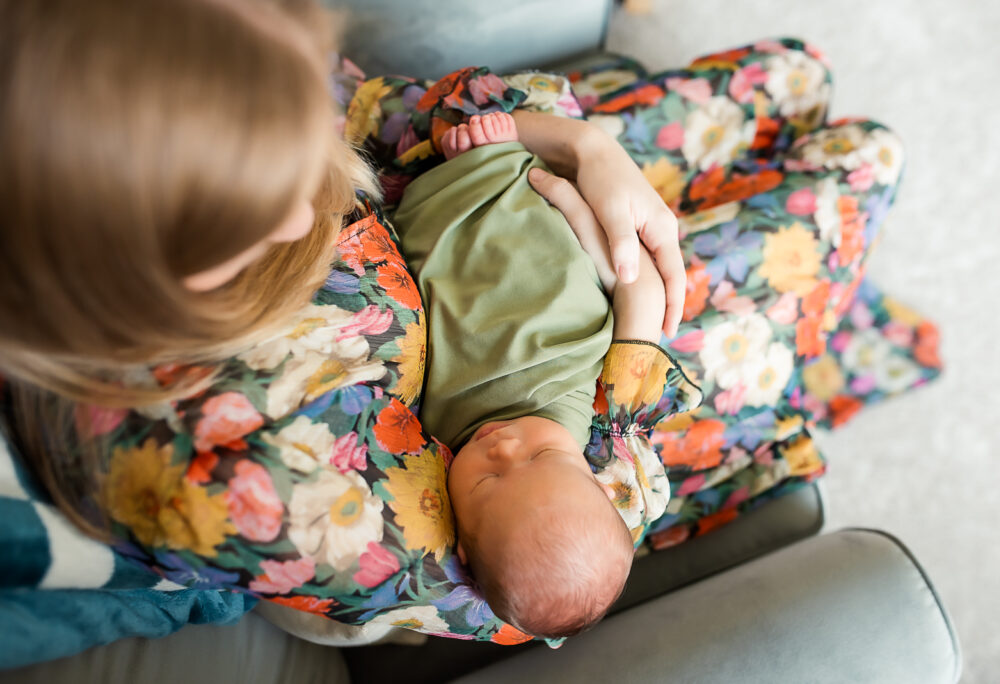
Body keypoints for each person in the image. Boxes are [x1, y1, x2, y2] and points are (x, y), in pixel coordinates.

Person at [0, 0, 939, 646]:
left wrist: (576, 146)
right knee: (862, 162)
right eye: (256, 211)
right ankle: (843, 340)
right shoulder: (235, 474)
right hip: (609, 396)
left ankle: (834, 322)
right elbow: (524, 577)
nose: (310, 210)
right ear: (123, 270)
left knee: (794, 79)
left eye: (297, 145)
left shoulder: (176, 51)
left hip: (494, 194)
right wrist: (620, 361)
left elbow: (371, 111)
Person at [390, 110, 674, 637]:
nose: (503, 448)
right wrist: (570, 203)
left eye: (488, 482)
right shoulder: (602, 413)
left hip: (436, 226)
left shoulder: (428, 440)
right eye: (543, 455)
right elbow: (641, 298)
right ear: (593, 475)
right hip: (519, 199)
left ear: (464, 543)